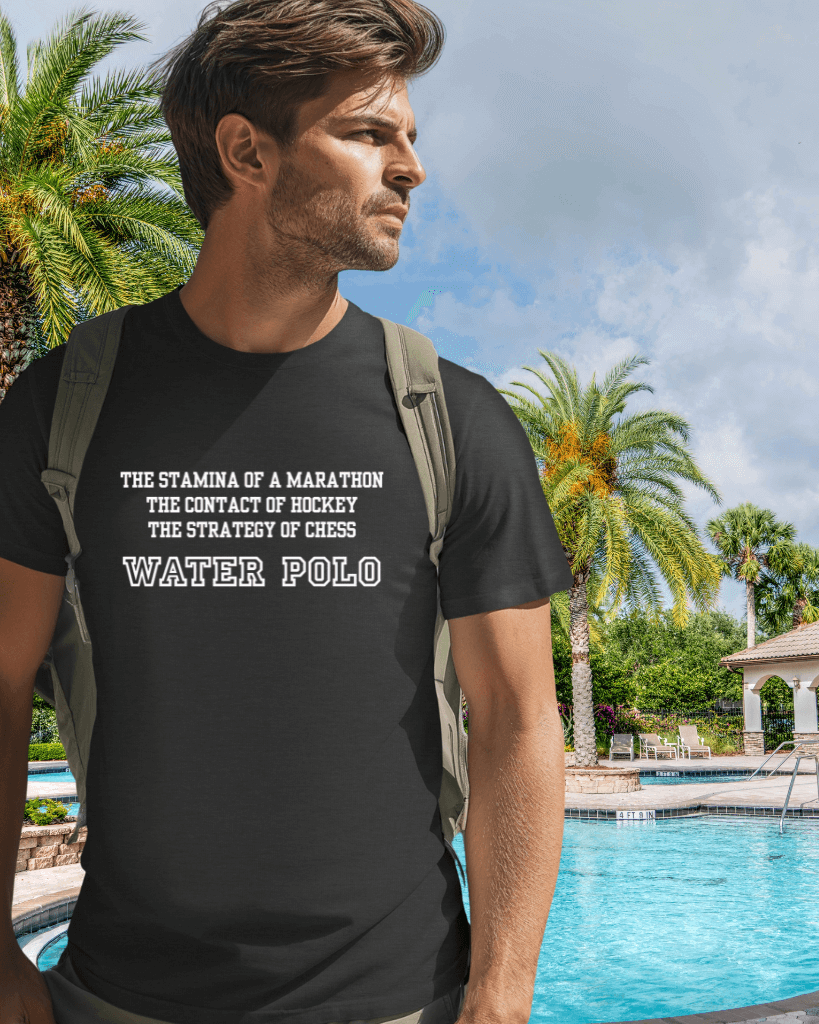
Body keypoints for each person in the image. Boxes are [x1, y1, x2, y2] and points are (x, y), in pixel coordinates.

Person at [0, 1, 571, 1021]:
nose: (411, 168)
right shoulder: (64, 408)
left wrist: (500, 997)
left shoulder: (453, 418)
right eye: (366, 133)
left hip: (403, 1002)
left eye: (410, 136)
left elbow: (520, 716)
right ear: (245, 152)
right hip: (121, 1001)